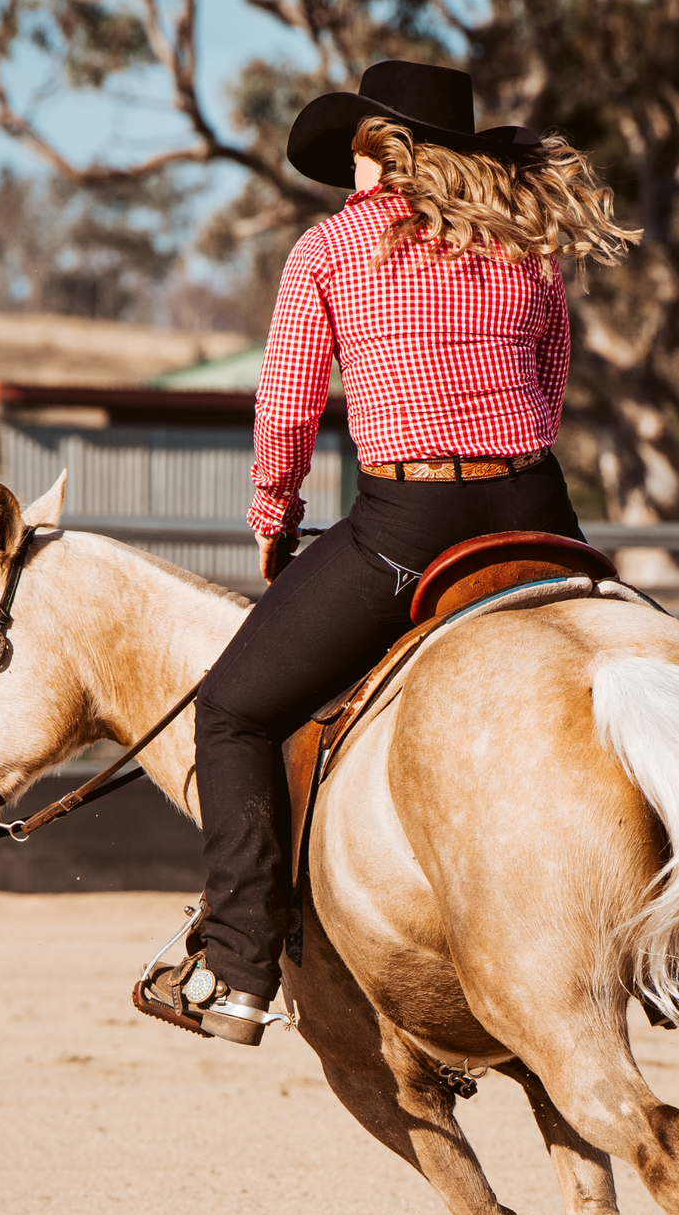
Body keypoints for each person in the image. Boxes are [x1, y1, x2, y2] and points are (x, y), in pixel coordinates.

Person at [141, 60, 640, 1044]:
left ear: (387, 153)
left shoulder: (330, 249)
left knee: (233, 712)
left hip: (413, 526)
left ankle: (240, 966)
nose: (346, 177)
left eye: (356, 154)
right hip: (538, 509)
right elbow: (549, 381)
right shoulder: (528, 242)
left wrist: (273, 515)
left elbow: (284, 404)